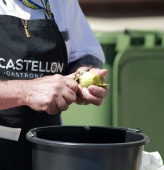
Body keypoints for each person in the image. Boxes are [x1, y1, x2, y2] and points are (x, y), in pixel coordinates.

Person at [0, 0, 109, 170]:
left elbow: (84, 52)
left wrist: (84, 75)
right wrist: (26, 92)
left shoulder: (62, 3)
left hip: (47, 149)